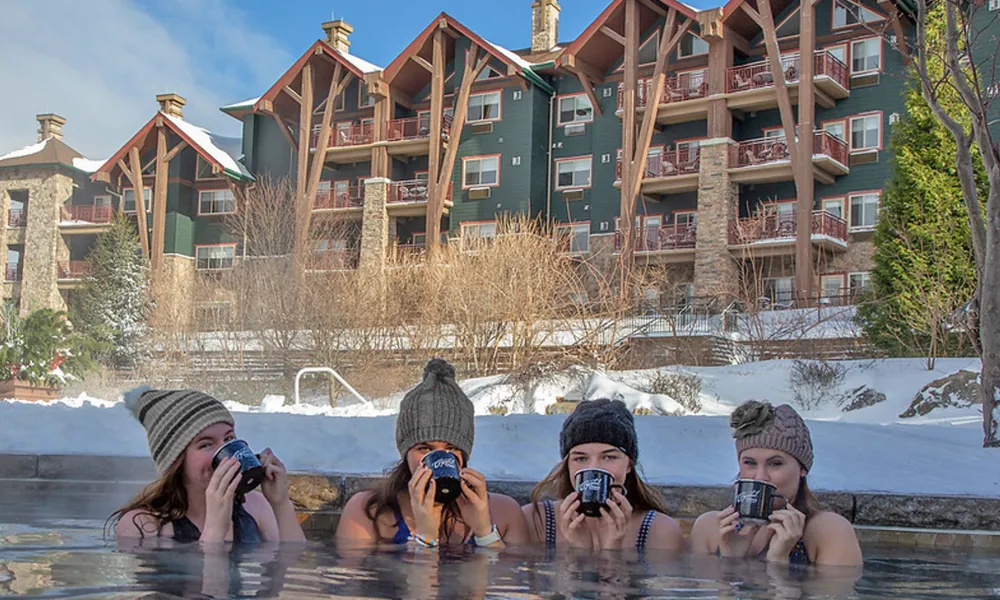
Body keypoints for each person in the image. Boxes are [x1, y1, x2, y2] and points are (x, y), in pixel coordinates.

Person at [335, 358, 529, 548]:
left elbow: (509, 577)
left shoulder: (504, 513)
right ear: (406, 452)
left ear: (464, 453)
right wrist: (426, 536)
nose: (440, 459)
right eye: (424, 449)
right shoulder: (367, 513)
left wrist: (485, 533)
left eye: (451, 448)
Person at [109, 386, 306, 544]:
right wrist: (215, 530)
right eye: (206, 444)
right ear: (176, 460)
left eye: (229, 438)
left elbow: (290, 569)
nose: (226, 454)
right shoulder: (142, 525)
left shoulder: (254, 506)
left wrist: (280, 503)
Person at [689, 400, 862, 566]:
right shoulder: (710, 528)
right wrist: (730, 561)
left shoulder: (829, 531)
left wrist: (778, 563)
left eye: (775, 464)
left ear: (803, 469)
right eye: (750, 463)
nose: (760, 477)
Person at [521, 399, 683, 552]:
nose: (594, 468)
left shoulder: (660, 530)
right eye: (581, 458)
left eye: (609, 457)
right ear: (567, 465)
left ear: (628, 465)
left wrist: (612, 552)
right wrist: (579, 551)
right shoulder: (536, 520)